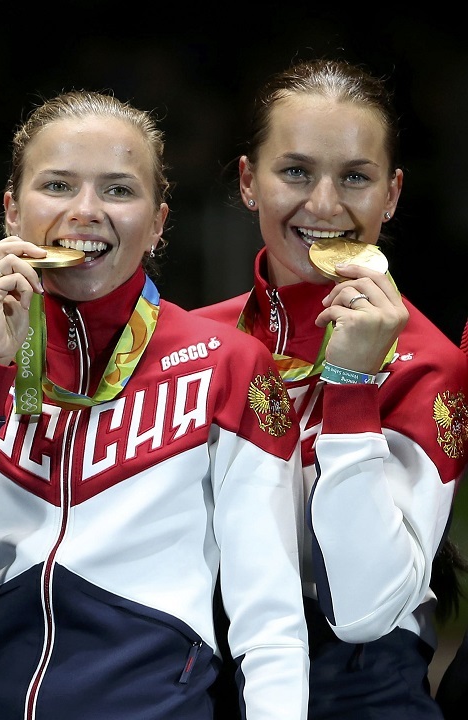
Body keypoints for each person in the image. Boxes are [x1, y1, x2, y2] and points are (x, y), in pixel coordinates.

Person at [0, 89, 309, 719]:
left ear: (159, 222)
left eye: (117, 190)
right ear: (11, 210)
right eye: (57, 184)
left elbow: (270, 620)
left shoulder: (229, 365)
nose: (86, 211)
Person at [194, 58, 468, 719]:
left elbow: (364, 611)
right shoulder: (194, 345)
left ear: (392, 194)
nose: (323, 205)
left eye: (355, 177)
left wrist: (349, 388)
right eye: (295, 171)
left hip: (360, 691)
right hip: (197, 673)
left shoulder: (428, 364)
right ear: (247, 181)